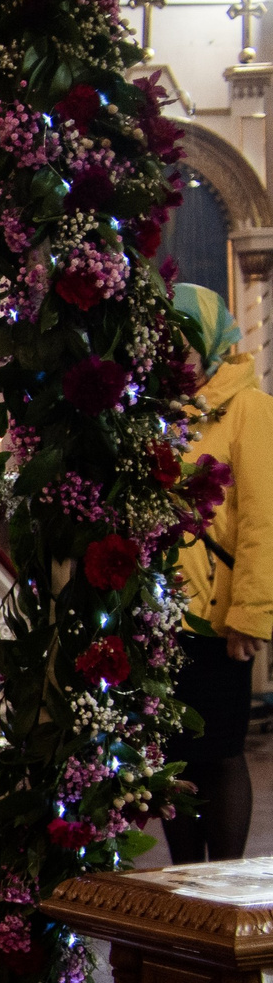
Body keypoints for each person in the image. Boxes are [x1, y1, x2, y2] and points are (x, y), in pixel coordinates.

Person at [167, 284, 273, 863]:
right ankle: (186, 892)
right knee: (175, 758)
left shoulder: (249, 408)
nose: (176, 355)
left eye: (185, 342)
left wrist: (250, 615)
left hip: (218, 618)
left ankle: (225, 890)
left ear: (210, 340)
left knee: (221, 754)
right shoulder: (157, 413)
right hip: (161, 617)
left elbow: (263, 521)